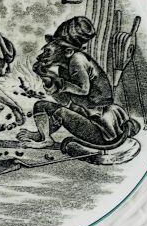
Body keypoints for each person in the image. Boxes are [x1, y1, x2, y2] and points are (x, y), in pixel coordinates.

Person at [17, 16, 139, 149]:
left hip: (101, 128)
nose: (41, 56)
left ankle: (46, 141)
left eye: (48, 51)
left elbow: (83, 90)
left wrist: (60, 84)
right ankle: (43, 136)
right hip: (89, 117)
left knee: (61, 112)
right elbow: (65, 102)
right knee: (41, 106)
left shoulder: (77, 59)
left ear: (68, 51)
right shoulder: (64, 67)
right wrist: (48, 79)